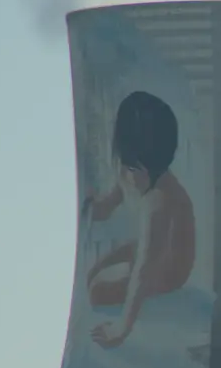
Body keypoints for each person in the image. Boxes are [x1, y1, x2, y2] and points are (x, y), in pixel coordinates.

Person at [80, 91, 196, 349]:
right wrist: (91, 206)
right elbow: (106, 206)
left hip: (169, 269)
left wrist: (121, 329)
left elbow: (145, 268)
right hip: (149, 247)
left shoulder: (160, 201)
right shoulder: (127, 172)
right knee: (93, 272)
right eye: (128, 165)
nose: (128, 175)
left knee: (96, 292)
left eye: (138, 169)